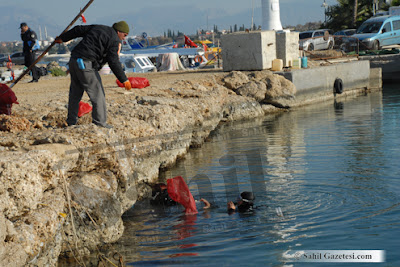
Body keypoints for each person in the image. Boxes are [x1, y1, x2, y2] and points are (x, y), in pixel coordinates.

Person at [54, 21, 132, 128]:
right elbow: (113, 61)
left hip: (74, 60)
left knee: (75, 94)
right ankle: (100, 123)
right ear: (119, 31)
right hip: (85, 64)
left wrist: (63, 38)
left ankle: (71, 121)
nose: (124, 38)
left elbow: (78, 29)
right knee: (98, 94)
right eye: (124, 35)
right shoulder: (114, 40)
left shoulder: (98, 27)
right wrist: (124, 79)